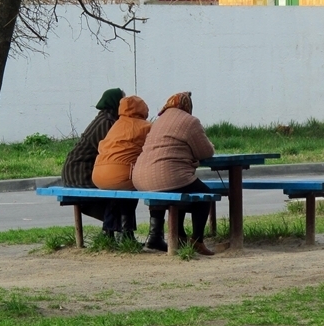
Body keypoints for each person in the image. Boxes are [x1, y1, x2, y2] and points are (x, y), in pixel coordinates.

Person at [132, 91, 216, 255]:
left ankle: (180, 236)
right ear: (187, 106)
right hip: (167, 176)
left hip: (140, 177)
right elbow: (205, 152)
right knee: (205, 194)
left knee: (179, 188)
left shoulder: (158, 122)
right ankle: (197, 240)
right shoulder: (190, 121)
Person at [61, 88, 125, 237]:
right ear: (116, 103)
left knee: (118, 187)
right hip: (79, 173)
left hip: (81, 171)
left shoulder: (106, 119)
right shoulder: (107, 123)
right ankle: (113, 233)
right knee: (117, 186)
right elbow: (113, 152)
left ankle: (114, 232)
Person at [91, 95, 151, 241]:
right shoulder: (146, 127)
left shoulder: (115, 125)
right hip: (122, 175)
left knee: (115, 191)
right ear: (143, 109)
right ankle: (127, 232)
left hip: (98, 175)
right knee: (133, 186)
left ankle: (108, 232)